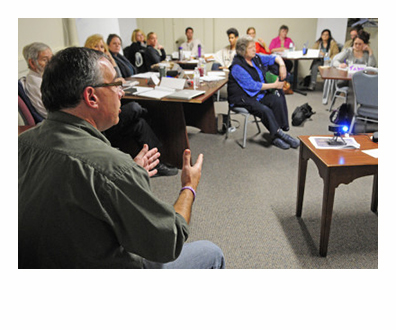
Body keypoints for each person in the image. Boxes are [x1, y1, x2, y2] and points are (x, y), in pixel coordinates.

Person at [18, 47, 225, 269]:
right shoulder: (112, 168)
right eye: (116, 85)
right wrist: (189, 187)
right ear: (91, 96)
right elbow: (169, 242)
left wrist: (126, 178)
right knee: (212, 252)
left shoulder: (22, 143)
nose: (121, 93)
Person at [84, 35, 177, 177]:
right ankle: (148, 113)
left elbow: (120, 75)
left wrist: (110, 59)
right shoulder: (87, 72)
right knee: (135, 108)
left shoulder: (106, 63)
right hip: (102, 125)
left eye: (102, 47)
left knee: (140, 123)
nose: (100, 49)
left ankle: (157, 162)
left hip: (109, 119)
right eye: (96, 46)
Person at [227, 35, 300, 150]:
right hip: (242, 98)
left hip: (257, 95)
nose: (254, 49)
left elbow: (273, 57)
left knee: (276, 100)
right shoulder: (237, 67)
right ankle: (280, 135)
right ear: (242, 50)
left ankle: (277, 134)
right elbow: (252, 86)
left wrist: (282, 65)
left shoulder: (255, 57)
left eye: (254, 47)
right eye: (251, 48)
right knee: (265, 110)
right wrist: (274, 85)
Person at [21, 42, 53, 118]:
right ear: (32, 63)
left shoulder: (43, 78)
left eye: (51, 59)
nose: (51, 63)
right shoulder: (37, 84)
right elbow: (49, 112)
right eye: (45, 60)